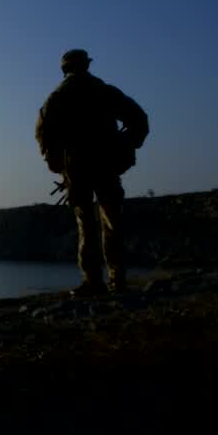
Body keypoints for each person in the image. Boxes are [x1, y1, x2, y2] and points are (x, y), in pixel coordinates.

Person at [36, 49, 149, 296]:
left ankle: (93, 282)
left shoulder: (58, 97)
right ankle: (116, 280)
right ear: (86, 66)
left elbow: (43, 134)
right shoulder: (105, 92)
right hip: (106, 165)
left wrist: (56, 163)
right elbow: (139, 120)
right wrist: (125, 145)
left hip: (77, 169)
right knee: (112, 222)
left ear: (64, 69)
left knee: (86, 224)